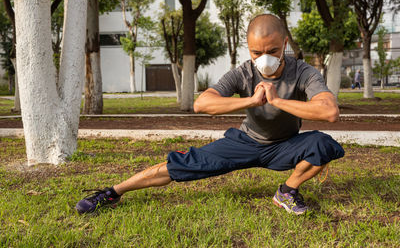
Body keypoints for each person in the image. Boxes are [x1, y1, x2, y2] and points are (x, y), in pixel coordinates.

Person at [75, 14, 344, 216]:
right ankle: (112, 193)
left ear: (284, 43)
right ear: (248, 49)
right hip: (244, 142)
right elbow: (202, 104)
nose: (265, 58)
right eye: (256, 52)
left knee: (323, 144)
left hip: (285, 145)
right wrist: (251, 100)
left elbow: (329, 111)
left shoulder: (303, 71)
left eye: (273, 51)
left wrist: (277, 100)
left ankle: (287, 191)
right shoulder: (243, 73)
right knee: (180, 164)